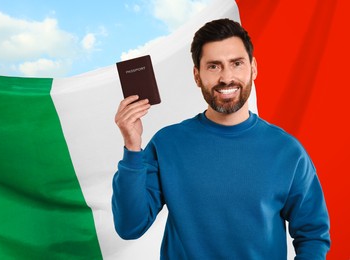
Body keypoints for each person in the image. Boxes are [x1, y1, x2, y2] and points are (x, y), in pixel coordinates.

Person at [112, 18, 330, 259]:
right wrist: (132, 147)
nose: (227, 77)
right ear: (197, 76)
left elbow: (313, 234)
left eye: (236, 63)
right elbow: (130, 227)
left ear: (253, 68)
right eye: (214, 66)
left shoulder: (287, 151)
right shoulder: (167, 143)